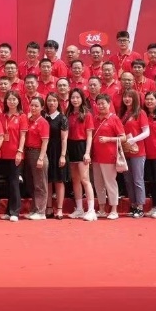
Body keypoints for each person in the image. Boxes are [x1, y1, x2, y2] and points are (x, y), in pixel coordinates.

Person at [89, 94, 126, 220]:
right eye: (98, 104)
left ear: (109, 104)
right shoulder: (94, 118)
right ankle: (101, 209)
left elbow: (123, 137)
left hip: (109, 156)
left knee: (110, 183)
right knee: (98, 183)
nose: (100, 106)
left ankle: (114, 209)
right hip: (95, 157)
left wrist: (108, 139)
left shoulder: (114, 119)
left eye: (103, 103)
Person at [65, 90, 95, 221]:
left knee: (85, 179)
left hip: (82, 146)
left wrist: (87, 152)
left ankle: (91, 210)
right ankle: (79, 209)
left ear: (82, 99)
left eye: (77, 97)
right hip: (71, 147)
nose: (75, 100)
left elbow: (89, 136)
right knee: (75, 179)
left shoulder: (87, 114)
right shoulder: (68, 114)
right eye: (73, 97)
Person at [119, 90, 150, 218]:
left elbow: (146, 132)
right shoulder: (123, 113)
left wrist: (134, 140)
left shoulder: (140, 113)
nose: (127, 99)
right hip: (125, 151)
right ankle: (133, 204)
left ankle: (140, 206)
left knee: (138, 179)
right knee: (128, 180)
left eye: (130, 97)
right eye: (125, 97)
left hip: (138, 151)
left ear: (135, 99)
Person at [0, 91, 25, 221]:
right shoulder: (1, 116)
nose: (12, 102)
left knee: (14, 183)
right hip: (3, 154)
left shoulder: (22, 116)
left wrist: (20, 151)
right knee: (7, 183)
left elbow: (23, 136)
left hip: (15, 154)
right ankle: (8, 211)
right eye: (9, 99)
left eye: (14, 99)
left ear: (18, 101)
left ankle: (15, 211)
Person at [20, 96, 50, 220]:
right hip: (28, 152)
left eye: (36, 106)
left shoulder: (43, 122)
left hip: (38, 153)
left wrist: (41, 158)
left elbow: (45, 142)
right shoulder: (28, 120)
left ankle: (41, 211)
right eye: (32, 105)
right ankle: (34, 209)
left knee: (40, 184)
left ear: (42, 107)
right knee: (31, 183)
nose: (33, 108)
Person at [43, 93, 68, 220]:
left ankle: (59, 209)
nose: (51, 103)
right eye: (49, 100)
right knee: (47, 180)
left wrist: (62, 155)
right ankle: (48, 207)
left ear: (58, 102)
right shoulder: (43, 117)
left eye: (54, 100)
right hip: (45, 151)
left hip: (58, 151)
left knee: (59, 180)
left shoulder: (62, 118)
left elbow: (64, 139)